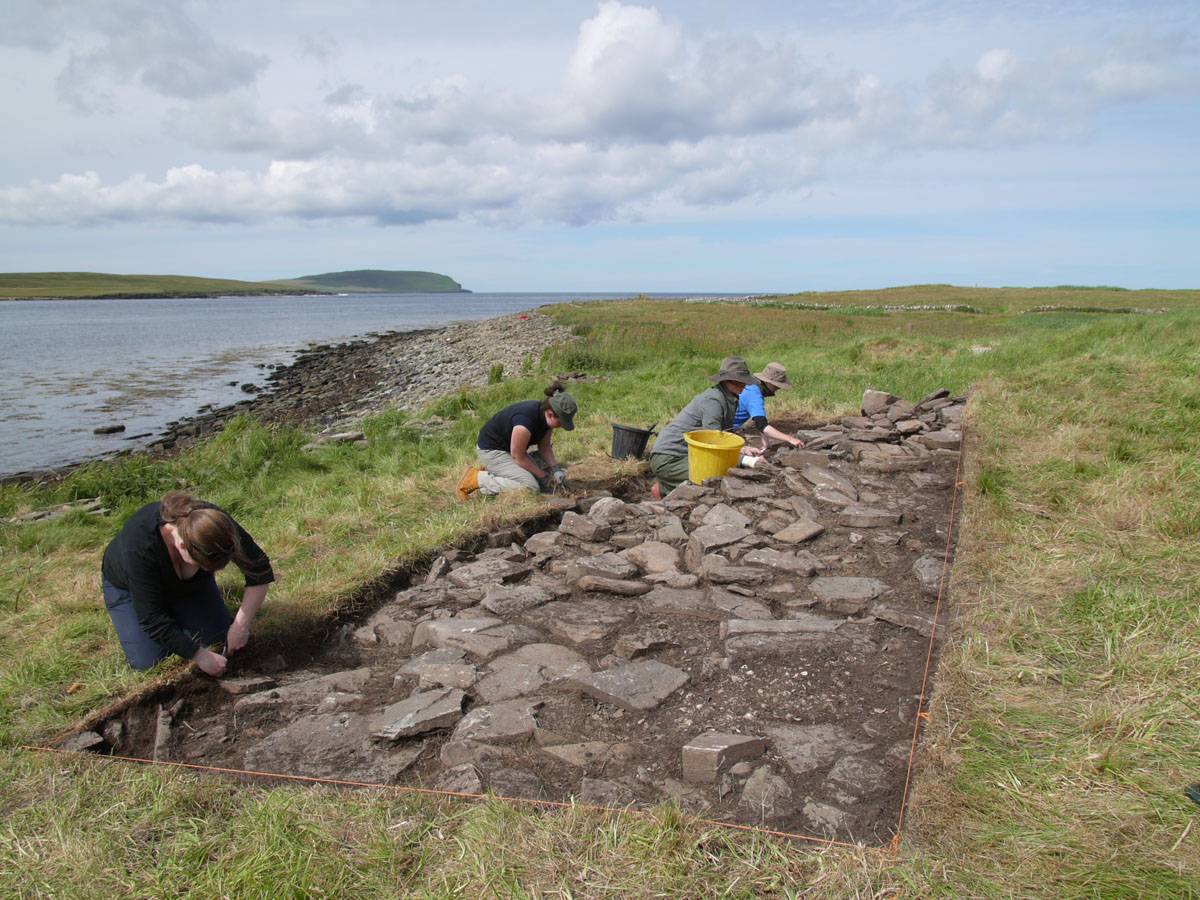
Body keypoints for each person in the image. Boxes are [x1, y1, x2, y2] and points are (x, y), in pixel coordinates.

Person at [101, 491, 274, 677]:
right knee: (149, 662)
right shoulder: (140, 546)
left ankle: (184, 612)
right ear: (182, 546)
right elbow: (152, 620)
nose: (209, 571)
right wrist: (200, 656)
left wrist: (240, 626)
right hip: (127, 587)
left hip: (189, 585)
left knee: (217, 638)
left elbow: (259, 570)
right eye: (202, 565)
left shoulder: (215, 524)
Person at [647, 356, 759, 499]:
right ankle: (663, 490)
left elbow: (724, 435)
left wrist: (743, 448)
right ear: (727, 381)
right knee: (714, 476)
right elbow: (713, 440)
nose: (743, 385)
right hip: (669, 458)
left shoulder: (730, 398)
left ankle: (665, 489)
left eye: (744, 382)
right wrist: (745, 459)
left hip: (688, 454)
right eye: (739, 382)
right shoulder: (714, 400)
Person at [457, 380, 578, 499]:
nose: (562, 425)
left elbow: (545, 447)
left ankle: (497, 470)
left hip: (510, 449)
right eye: (561, 422)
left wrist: (555, 469)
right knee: (531, 487)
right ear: (550, 413)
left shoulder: (546, 420)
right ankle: (477, 479)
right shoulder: (524, 423)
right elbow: (518, 457)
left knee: (539, 475)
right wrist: (543, 476)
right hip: (492, 451)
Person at [733, 361, 805, 452]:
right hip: (720, 431)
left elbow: (760, 420)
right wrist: (790, 439)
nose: (778, 388)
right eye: (776, 385)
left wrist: (765, 442)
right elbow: (762, 425)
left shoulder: (754, 387)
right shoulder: (754, 394)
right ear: (768, 382)